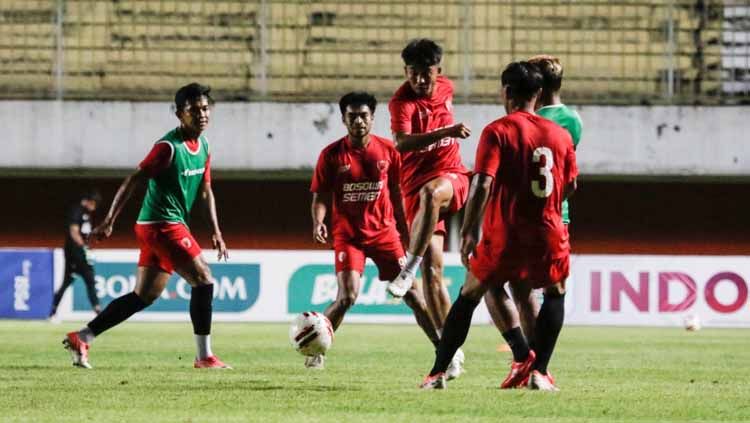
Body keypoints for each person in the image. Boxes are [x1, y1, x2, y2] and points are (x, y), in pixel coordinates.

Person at [420, 62, 578, 391]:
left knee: (470, 294)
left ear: (505, 92)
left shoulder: (498, 130)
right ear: (538, 95)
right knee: (555, 292)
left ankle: (437, 373)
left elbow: (481, 185)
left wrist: (467, 231)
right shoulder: (561, 135)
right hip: (548, 230)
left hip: (505, 232)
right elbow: (571, 186)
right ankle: (540, 371)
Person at [62, 83, 230, 370]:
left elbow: (206, 190)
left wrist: (216, 230)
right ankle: (204, 357)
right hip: (161, 223)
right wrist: (109, 221)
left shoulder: (204, 146)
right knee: (204, 278)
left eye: (205, 109)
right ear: (180, 114)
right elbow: (134, 179)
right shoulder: (168, 147)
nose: (202, 115)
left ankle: (83, 336)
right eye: (194, 110)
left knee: (144, 295)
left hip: (162, 225)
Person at [309, 91, 441, 369]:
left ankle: (445, 349)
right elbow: (320, 196)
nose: (358, 121)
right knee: (347, 297)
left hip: (385, 234)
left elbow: (396, 192)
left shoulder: (389, 151)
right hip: (348, 236)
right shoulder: (331, 155)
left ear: (372, 118)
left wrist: (407, 230)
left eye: (364, 115)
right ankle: (316, 347)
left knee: (414, 296)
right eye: (352, 116)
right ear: (344, 120)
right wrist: (318, 221)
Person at [483, 55, 583, 388]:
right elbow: (568, 177)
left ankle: (527, 359)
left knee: (507, 287)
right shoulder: (572, 120)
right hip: (557, 215)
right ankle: (538, 367)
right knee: (542, 292)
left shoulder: (524, 123)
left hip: (523, 217)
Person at [387, 38, 472, 379]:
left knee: (433, 192)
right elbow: (401, 143)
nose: (420, 80)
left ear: (439, 71)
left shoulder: (446, 88)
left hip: (451, 177)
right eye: (413, 73)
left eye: (427, 74)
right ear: (405, 72)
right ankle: (452, 350)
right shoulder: (401, 103)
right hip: (415, 187)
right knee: (434, 275)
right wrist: (448, 130)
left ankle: (407, 269)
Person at [49, 191, 103, 318]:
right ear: (90, 201)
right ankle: (98, 310)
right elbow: (74, 231)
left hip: (79, 251)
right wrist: (84, 247)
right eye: (95, 204)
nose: (95, 208)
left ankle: (53, 310)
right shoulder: (77, 210)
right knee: (88, 278)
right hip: (75, 252)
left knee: (69, 281)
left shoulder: (86, 214)